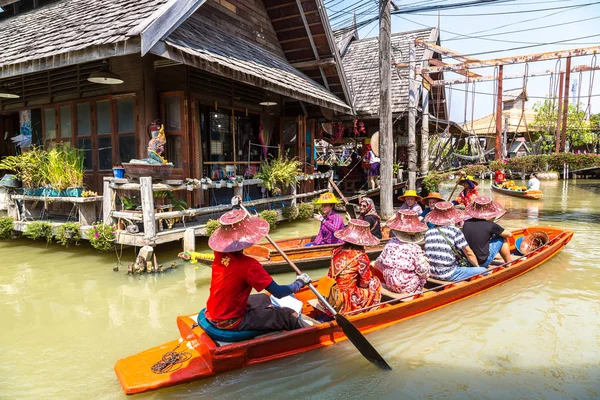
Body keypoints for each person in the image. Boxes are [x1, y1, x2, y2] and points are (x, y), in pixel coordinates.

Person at [205, 209, 312, 332]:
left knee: (263, 298)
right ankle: (308, 335)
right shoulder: (249, 265)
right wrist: (299, 283)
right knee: (287, 315)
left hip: (213, 312)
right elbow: (279, 292)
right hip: (230, 321)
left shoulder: (219, 253)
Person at [328, 219, 382, 313]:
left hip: (331, 292)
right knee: (375, 281)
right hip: (346, 297)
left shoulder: (335, 250)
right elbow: (364, 283)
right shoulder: (361, 256)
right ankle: (369, 309)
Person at [424, 201, 485, 281]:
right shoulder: (454, 230)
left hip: (431, 272)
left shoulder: (428, 232)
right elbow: (469, 253)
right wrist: (477, 269)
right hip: (447, 274)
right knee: (483, 270)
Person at [375, 210, 430, 294]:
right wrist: (426, 264)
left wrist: (391, 271)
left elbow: (378, 263)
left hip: (389, 283)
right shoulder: (415, 248)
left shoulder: (390, 243)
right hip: (405, 286)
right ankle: (416, 293)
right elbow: (423, 270)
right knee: (422, 274)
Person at [462, 196, 513, 268]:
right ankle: (508, 263)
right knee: (501, 238)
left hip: (468, 260)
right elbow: (509, 234)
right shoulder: (491, 225)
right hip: (482, 262)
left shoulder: (466, 223)